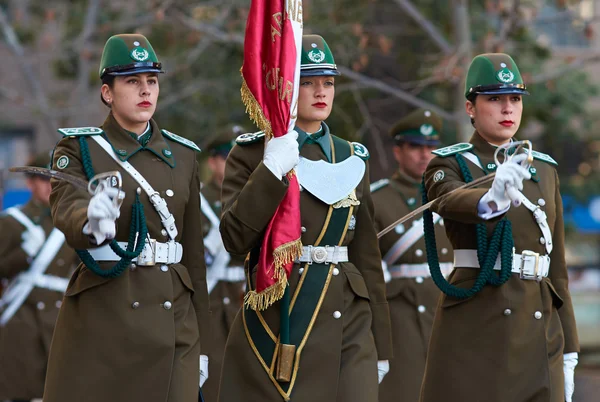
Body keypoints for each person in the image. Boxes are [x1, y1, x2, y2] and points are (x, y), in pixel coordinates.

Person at [217, 34, 393, 402]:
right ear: (285, 87)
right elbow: (234, 238)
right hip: (282, 315)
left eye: (327, 82)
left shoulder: (352, 156)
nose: (320, 92)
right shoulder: (253, 152)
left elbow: (367, 256)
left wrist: (384, 344)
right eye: (307, 82)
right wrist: (270, 170)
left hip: (348, 319)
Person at [43, 34, 210, 402]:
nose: (145, 90)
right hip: (109, 318)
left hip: (174, 320)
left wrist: (206, 345)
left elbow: (194, 256)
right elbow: (66, 204)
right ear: (108, 93)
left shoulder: (183, 155)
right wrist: (91, 220)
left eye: (151, 81)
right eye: (132, 81)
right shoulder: (80, 147)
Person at [420, 53, 579, 402]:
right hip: (480, 322)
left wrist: (570, 348)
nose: (508, 109)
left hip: (540, 328)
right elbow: (446, 200)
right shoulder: (451, 162)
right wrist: (490, 199)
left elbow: (558, 268)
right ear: (470, 108)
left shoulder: (545, 170)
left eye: (515, 99)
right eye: (494, 99)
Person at [370, 108, 453, 402]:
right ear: (398, 151)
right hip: (401, 314)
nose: (424, 154)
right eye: (416, 147)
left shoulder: (455, 196)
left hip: (451, 307)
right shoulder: (377, 199)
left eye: (431, 147)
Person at [0, 151, 78, 402]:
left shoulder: (73, 223)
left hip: (61, 322)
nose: (52, 186)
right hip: (24, 323)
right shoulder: (13, 221)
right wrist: (24, 254)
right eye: (46, 180)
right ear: (31, 183)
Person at [200, 125, 247, 402]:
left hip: (246, 295)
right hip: (212, 299)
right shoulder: (197, 199)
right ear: (213, 161)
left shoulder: (255, 197)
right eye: (229, 157)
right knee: (213, 377)